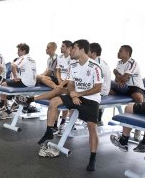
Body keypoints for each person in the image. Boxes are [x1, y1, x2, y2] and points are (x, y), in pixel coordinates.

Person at [35, 40, 103, 171]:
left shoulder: (95, 67)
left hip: (91, 98)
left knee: (91, 127)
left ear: (82, 50)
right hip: (76, 95)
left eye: (74, 49)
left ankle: (92, 157)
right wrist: (74, 94)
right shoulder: (74, 65)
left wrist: (79, 93)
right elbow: (71, 84)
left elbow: (98, 88)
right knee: (54, 101)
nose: (71, 51)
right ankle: (49, 131)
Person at [110, 45, 145, 140]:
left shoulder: (133, 63)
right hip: (123, 87)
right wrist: (118, 79)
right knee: (107, 88)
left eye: (120, 51)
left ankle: (138, 128)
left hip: (135, 87)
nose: (118, 52)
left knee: (138, 98)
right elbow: (118, 80)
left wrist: (116, 72)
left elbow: (125, 78)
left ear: (127, 53)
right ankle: (99, 117)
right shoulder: (119, 63)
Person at [0, 43, 36, 120]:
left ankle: (3, 104)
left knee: (2, 84)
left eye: (19, 50)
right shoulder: (32, 59)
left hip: (25, 83)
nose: (17, 52)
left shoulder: (23, 58)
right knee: (12, 84)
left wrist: (15, 77)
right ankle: (15, 103)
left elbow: (13, 66)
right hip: (32, 83)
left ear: (23, 51)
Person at [88, 43, 111, 126]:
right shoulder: (96, 60)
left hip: (101, 91)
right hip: (100, 88)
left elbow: (93, 83)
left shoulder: (98, 65)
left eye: (87, 51)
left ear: (93, 54)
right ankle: (97, 117)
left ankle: (94, 118)